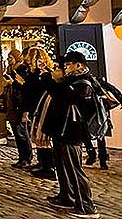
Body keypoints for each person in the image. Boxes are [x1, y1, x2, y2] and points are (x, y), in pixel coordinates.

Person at [39, 51, 103, 218]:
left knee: (75, 169)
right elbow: (59, 91)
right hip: (61, 130)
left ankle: (87, 206)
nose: (65, 68)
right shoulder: (71, 80)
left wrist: (48, 78)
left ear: (78, 65)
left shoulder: (83, 82)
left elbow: (63, 96)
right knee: (62, 166)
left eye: (68, 65)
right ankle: (66, 197)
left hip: (71, 132)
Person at [26, 47, 56, 179]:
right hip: (37, 108)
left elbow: (38, 89)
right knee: (39, 138)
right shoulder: (35, 74)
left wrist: (24, 84)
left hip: (44, 108)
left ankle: (48, 167)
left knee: (43, 139)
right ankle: (42, 163)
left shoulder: (46, 75)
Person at [84, 76, 121, 170]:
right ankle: (99, 159)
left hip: (93, 111)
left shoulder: (90, 80)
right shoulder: (94, 80)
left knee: (89, 134)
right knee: (100, 136)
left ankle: (95, 157)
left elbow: (111, 89)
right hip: (99, 111)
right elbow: (113, 89)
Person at [2, 49, 31, 169]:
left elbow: (24, 87)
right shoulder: (9, 70)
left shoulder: (22, 70)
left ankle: (27, 158)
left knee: (22, 133)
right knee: (17, 133)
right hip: (12, 105)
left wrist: (12, 83)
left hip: (19, 105)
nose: (9, 60)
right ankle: (21, 157)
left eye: (11, 58)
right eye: (8, 58)